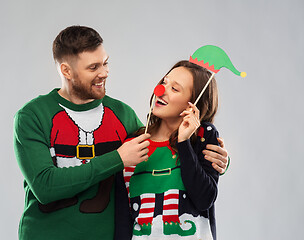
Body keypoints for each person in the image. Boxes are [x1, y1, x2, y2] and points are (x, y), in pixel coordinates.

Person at [13, 25, 228, 240]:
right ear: (66, 71)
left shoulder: (122, 116)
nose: (104, 73)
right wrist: (117, 158)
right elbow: (45, 187)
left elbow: (162, 143)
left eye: (105, 63)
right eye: (93, 67)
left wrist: (216, 159)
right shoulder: (32, 116)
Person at [123, 60, 222, 239]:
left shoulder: (203, 136)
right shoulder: (133, 143)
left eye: (175, 89)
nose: (160, 90)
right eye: (164, 82)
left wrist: (183, 142)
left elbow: (204, 199)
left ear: (192, 105)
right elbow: (123, 214)